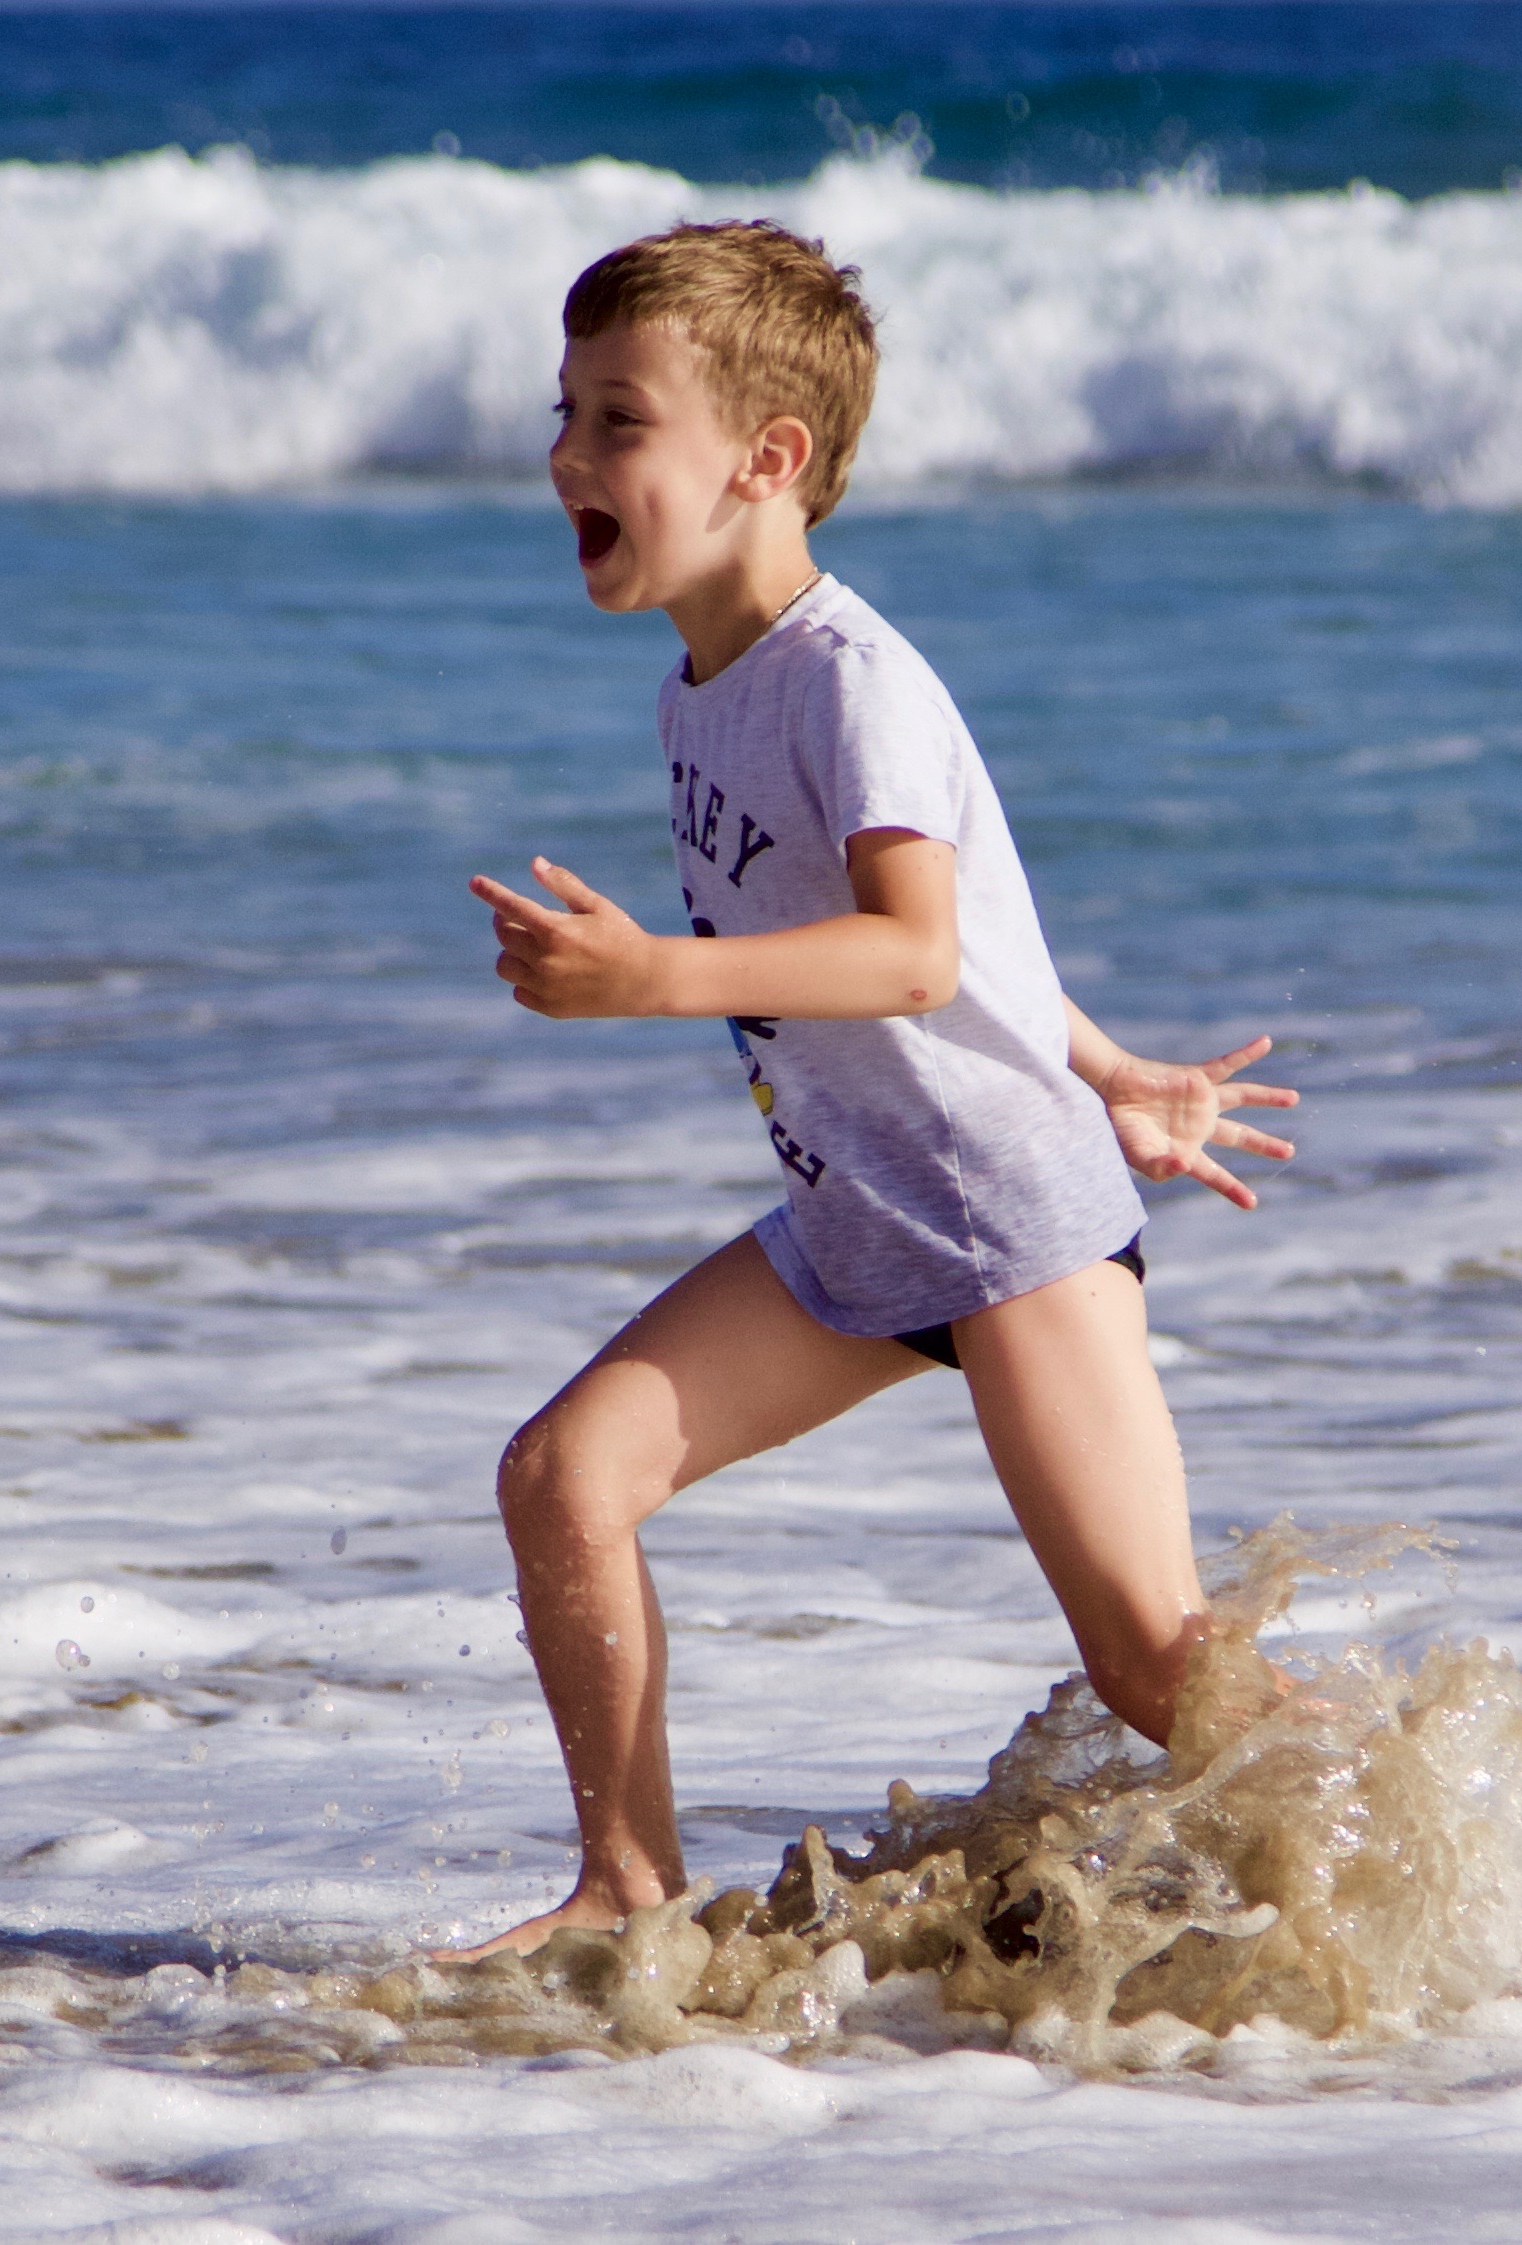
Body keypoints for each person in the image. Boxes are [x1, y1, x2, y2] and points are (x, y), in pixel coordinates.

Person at [451, 222, 1298, 1960]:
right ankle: (626, 1890)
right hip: (854, 1219)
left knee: (1156, 1660)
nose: (567, 458)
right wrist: (1109, 1059)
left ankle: (1415, 1854)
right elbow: (978, 944)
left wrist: (654, 979)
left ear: (766, 462)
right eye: (566, 413)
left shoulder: (849, 681)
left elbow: (910, 952)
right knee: (563, 1477)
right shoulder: (705, 688)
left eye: (619, 420)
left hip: (1001, 1220)